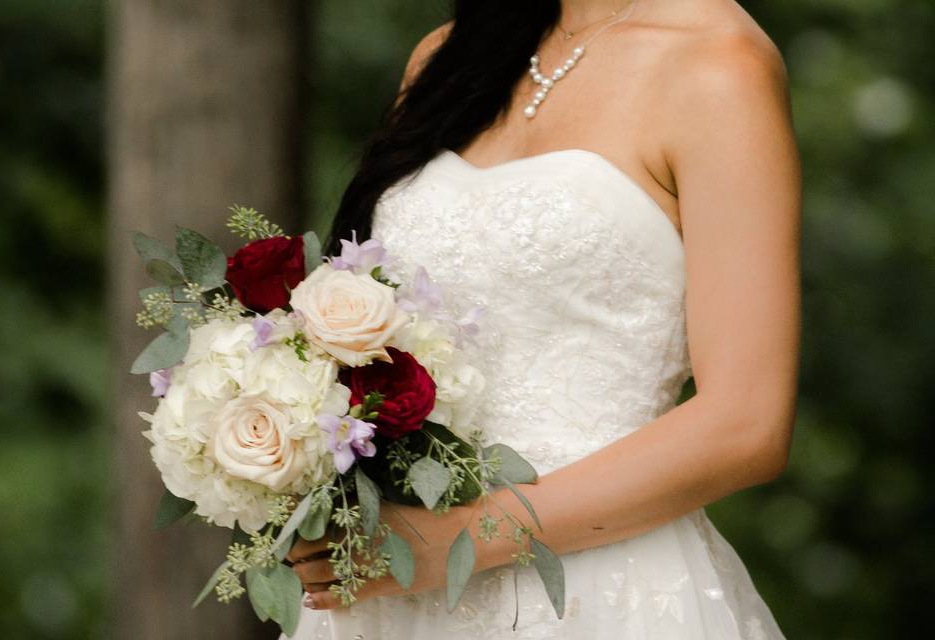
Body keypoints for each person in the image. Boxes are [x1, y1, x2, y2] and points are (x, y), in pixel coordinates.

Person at [285, 0, 800, 637]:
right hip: (393, 585)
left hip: (597, 588)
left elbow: (745, 424)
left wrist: (458, 539)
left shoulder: (716, 64)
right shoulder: (450, 54)